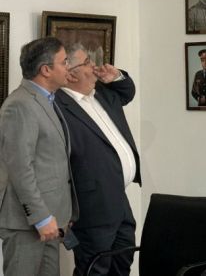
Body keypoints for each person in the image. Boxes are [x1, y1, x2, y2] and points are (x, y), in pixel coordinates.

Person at [54, 43, 141, 276]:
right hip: (92, 206)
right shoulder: (57, 106)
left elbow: (128, 91)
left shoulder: (103, 93)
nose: (94, 66)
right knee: (94, 269)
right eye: (87, 62)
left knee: (123, 262)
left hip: (119, 198)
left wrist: (117, 76)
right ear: (71, 74)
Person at [0, 37, 77, 276]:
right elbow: (20, 168)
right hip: (28, 224)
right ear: (46, 70)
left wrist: (59, 214)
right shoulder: (20, 105)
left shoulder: (48, 100)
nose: (69, 67)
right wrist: (41, 217)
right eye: (64, 62)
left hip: (51, 222)